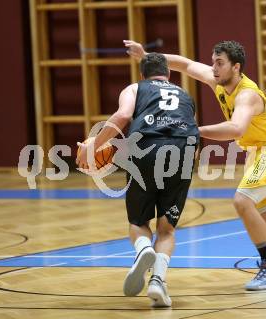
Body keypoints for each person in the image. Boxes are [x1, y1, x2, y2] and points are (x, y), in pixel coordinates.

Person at [124, 39, 266, 289]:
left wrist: (193, 130)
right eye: (213, 62)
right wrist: (148, 55)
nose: (214, 68)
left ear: (236, 67)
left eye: (219, 63)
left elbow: (236, 128)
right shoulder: (217, 80)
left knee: (242, 201)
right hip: (262, 151)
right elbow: (187, 66)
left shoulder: (247, 95)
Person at [76, 52, 200, 307]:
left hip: (147, 148)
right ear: (168, 74)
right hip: (184, 152)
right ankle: (158, 281)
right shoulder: (185, 95)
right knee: (167, 229)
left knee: (138, 221)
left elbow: (122, 117)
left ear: (142, 75)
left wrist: (95, 145)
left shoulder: (135, 88)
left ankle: (143, 249)